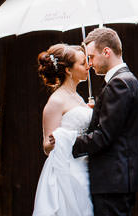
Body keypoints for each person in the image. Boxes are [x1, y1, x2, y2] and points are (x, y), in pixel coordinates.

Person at [71, 27, 138, 216]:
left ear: (106, 52)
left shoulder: (119, 84)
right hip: (118, 181)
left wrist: (70, 141)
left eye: (91, 57)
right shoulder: (126, 81)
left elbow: (104, 136)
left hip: (112, 182)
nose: (90, 63)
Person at [32, 43, 93, 216]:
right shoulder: (56, 101)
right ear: (68, 70)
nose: (88, 66)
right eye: (83, 63)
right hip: (67, 171)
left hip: (84, 167)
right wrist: (57, 140)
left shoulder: (78, 96)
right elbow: (46, 146)